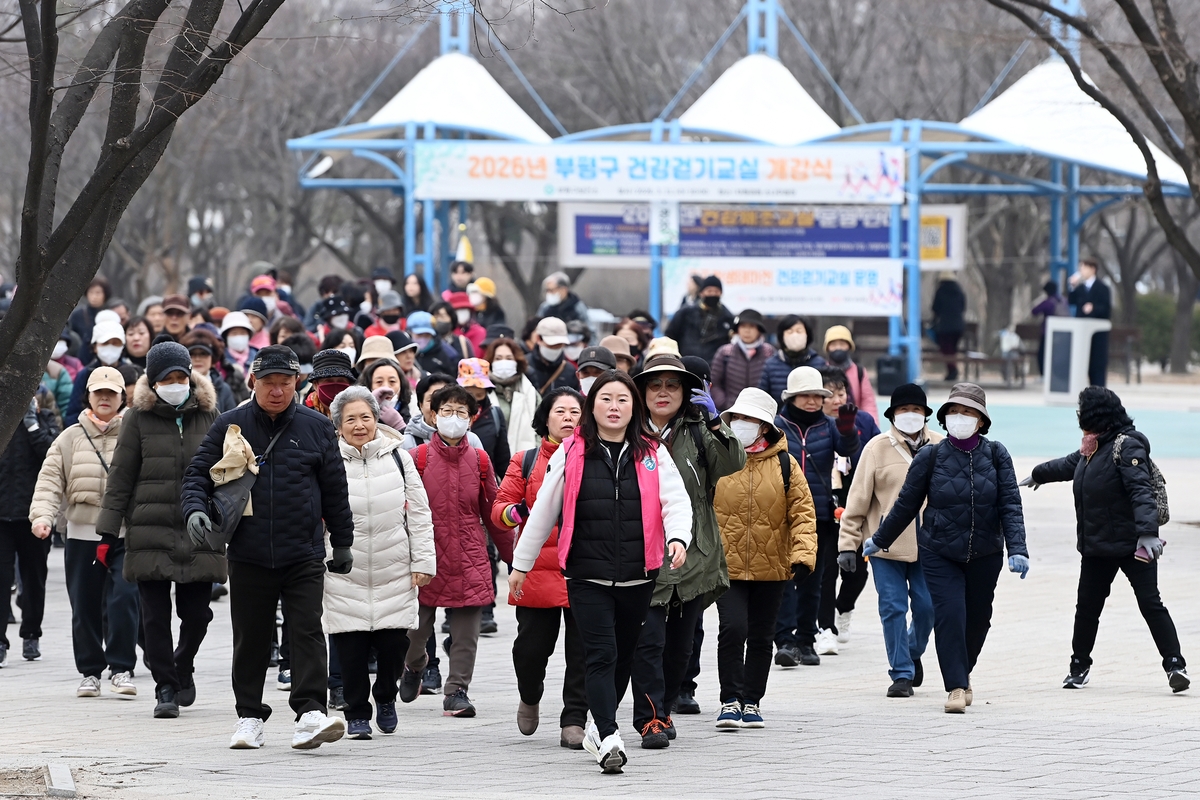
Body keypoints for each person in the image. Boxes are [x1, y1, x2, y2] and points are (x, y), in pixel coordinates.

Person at [509, 371, 692, 774]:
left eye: (622, 400)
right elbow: (543, 510)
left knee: (624, 657)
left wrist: (678, 537)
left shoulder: (652, 451)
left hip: (639, 574)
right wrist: (521, 564)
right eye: (605, 398)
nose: (614, 406)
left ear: (634, 408)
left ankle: (597, 721)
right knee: (601, 654)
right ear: (593, 407)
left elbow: (676, 501)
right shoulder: (572, 451)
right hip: (586, 574)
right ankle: (608, 734)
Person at [181, 345, 355, 750]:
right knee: (251, 636)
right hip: (248, 551)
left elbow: (335, 489)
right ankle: (248, 716)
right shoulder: (230, 424)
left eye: (285, 383)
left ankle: (310, 712)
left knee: (308, 630)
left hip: (304, 550)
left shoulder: (316, 426)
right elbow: (196, 477)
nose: (277, 391)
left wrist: (343, 542)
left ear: (297, 383)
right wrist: (193, 510)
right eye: (269, 383)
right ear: (252, 382)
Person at [869, 382, 1029, 713]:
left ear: (981, 420)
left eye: (967, 412)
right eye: (953, 412)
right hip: (940, 550)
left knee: (979, 618)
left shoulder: (997, 454)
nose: (959, 418)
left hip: (985, 551)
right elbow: (906, 504)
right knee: (950, 615)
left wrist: (1018, 548)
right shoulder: (932, 455)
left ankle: (963, 670)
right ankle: (955, 686)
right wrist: (880, 539)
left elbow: (1010, 504)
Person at [1027, 386, 1188, 693]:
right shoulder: (1094, 447)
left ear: (1094, 415)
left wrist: (1148, 533)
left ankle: (1175, 665)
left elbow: (1141, 491)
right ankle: (1079, 666)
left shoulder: (1127, 446)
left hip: (1133, 545)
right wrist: (1038, 474)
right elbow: (1067, 464)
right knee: (1087, 607)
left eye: (1082, 412)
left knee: (1151, 604)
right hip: (1097, 546)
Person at [96, 342, 223, 718]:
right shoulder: (137, 418)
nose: (175, 383)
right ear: (153, 381)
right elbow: (120, 477)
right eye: (166, 378)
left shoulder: (210, 414)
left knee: (197, 615)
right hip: (149, 528)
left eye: (180, 376)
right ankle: (165, 686)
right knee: (153, 615)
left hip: (201, 529)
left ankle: (182, 666)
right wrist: (107, 533)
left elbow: (226, 473)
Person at [629, 354, 745, 748]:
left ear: (687, 392)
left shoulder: (698, 430)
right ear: (641, 391)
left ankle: (662, 706)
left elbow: (732, 463)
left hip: (693, 554)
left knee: (681, 648)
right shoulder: (626, 431)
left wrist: (716, 421)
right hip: (641, 553)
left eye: (672, 386)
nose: (663, 393)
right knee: (649, 642)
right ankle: (651, 719)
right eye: (654, 385)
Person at [326, 387, 436, 739]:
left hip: (394, 566)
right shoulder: (327, 459)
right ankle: (357, 711)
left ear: (377, 419)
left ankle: (385, 697)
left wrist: (423, 561)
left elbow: (419, 514)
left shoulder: (399, 459)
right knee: (351, 646)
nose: (360, 426)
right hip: (345, 568)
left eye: (366, 417)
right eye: (351, 419)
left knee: (393, 644)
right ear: (338, 425)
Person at [400, 384, 514, 718]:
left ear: (471, 418)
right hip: (425, 554)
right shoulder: (416, 458)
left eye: (461, 412)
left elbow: (494, 513)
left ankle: (457, 691)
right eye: (446, 411)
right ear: (433, 415)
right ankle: (414, 666)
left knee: (466, 632)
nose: (454, 418)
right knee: (415, 630)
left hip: (469, 553)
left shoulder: (479, 459)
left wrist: (515, 559)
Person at [29, 366, 139, 696]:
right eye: (98, 393)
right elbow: (50, 481)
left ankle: (121, 668)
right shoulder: (70, 437)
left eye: (112, 393)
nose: (105, 398)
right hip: (81, 534)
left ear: (123, 397)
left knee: (124, 599)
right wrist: (42, 516)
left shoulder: (134, 433)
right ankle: (90, 671)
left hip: (124, 533)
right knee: (85, 604)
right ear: (88, 396)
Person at [712, 388, 816, 729]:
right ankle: (729, 699)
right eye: (738, 418)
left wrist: (802, 556)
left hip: (773, 567)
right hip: (725, 566)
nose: (742, 424)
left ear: (765, 426)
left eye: (750, 419)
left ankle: (752, 701)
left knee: (760, 635)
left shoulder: (786, 464)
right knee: (732, 629)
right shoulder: (718, 458)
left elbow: (802, 513)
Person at [492, 388, 589, 748]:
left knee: (583, 652)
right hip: (536, 570)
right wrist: (519, 513)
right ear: (545, 418)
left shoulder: (595, 456)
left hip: (584, 568)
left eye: (575, 411)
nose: (567, 417)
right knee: (530, 651)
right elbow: (500, 510)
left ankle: (574, 719)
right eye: (559, 411)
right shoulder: (527, 459)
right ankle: (529, 695)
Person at [838, 383, 941, 697]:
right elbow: (856, 502)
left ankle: (912, 650)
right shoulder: (876, 448)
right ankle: (901, 674)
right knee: (893, 608)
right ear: (893, 414)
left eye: (916, 410)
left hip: (930, 545)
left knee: (927, 607)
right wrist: (847, 544)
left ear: (925, 414)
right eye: (903, 410)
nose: (910, 415)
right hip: (884, 546)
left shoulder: (941, 445)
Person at [772, 366, 859, 668]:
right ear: (792, 397)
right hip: (779, 513)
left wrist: (848, 431)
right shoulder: (776, 425)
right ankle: (784, 641)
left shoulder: (829, 426)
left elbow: (848, 451)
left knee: (812, 581)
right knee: (782, 580)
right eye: (805, 395)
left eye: (817, 395)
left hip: (819, 515)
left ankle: (807, 641)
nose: (812, 401)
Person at [813, 366, 880, 655]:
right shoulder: (813, 425)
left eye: (841, 392)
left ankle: (845, 608)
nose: (837, 399)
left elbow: (877, 454)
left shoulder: (863, 420)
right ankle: (824, 627)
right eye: (831, 394)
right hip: (826, 506)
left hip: (858, 506)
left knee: (858, 571)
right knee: (826, 569)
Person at [0, 391, 61, 667]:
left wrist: (32, 423)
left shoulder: (43, 418)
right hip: (2, 514)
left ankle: (31, 634)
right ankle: (0, 641)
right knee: (1, 580)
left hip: (35, 514)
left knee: (34, 579)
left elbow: (53, 455)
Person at [709, 309, 775, 412]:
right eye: (743, 326)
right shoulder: (725, 352)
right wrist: (724, 404)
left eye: (752, 326)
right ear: (737, 329)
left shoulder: (769, 352)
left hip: (761, 411)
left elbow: (774, 383)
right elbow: (714, 383)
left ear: (759, 330)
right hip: (731, 411)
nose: (747, 331)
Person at [66, 318, 131, 420]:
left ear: (123, 346)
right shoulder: (85, 375)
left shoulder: (131, 373)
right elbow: (73, 414)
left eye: (115, 343)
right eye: (105, 343)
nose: (110, 347)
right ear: (95, 346)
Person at [485, 338, 540, 455]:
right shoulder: (482, 392)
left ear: (517, 361)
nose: (504, 362)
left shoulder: (529, 391)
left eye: (509, 358)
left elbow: (542, 425)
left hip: (526, 460)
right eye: (498, 358)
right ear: (490, 362)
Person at [402, 373, 483, 452]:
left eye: (447, 403)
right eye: (431, 400)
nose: (437, 407)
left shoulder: (471, 440)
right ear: (421, 404)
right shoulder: (407, 443)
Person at [758, 316, 825, 409]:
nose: (795, 335)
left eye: (799, 331)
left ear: (807, 335)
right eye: (790, 332)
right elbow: (762, 398)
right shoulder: (771, 365)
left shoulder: (819, 363)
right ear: (782, 336)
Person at [664, 276, 735, 363]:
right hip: (685, 364)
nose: (712, 294)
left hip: (715, 368)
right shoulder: (685, 313)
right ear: (701, 293)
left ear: (721, 293)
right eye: (709, 291)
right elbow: (670, 336)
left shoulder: (727, 318)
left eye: (716, 291)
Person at [1068, 258, 1112, 387]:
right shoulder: (1080, 288)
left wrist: (1094, 308)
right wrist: (1072, 286)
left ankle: (1098, 389)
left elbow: (1106, 309)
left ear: (1092, 269)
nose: (1081, 270)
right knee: (1081, 362)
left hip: (1097, 334)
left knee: (1097, 363)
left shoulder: (1103, 288)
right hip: (1082, 331)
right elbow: (1071, 301)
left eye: (1084, 267)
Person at [823, 325, 879, 423]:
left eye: (842, 344)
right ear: (827, 348)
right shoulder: (821, 371)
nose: (838, 348)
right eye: (834, 344)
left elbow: (868, 402)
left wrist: (871, 427)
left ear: (849, 346)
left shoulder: (859, 372)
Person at [181, 330, 238, 412]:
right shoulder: (179, 387)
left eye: (203, 354)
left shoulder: (224, 389)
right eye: (192, 354)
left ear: (213, 358)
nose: (197, 359)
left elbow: (232, 420)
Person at [525, 317, 580, 394]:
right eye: (551, 345)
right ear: (538, 339)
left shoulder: (570, 371)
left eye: (559, 345)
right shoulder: (524, 366)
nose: (555, 348)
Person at [358, 356, 412, 427]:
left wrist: (400, 425)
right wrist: (368, 407)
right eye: (379, 382)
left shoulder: (413, 412)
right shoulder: (355, 410)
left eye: (392, 381)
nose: (386, 387)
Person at [931, 273, 966, 381]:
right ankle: (952, 370)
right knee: (952, 349)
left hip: (945, 326)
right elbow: (963, 306)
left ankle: (952, 370)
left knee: (946, 349)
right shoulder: (959, 291)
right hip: (958, 326)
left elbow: (935, 308)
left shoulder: (941, 291)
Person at [69, 277, 110, 360]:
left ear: (105, 294)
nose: (94, 296)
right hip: (80, 357)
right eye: (91, 292)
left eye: (98, 293)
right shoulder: (77, 315)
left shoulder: (110, 314)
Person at [410, 311, 460, 375]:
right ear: (410, 332)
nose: (423, 337)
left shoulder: (446, 354)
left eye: (427, 334)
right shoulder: (405, 354)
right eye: (419, 334)